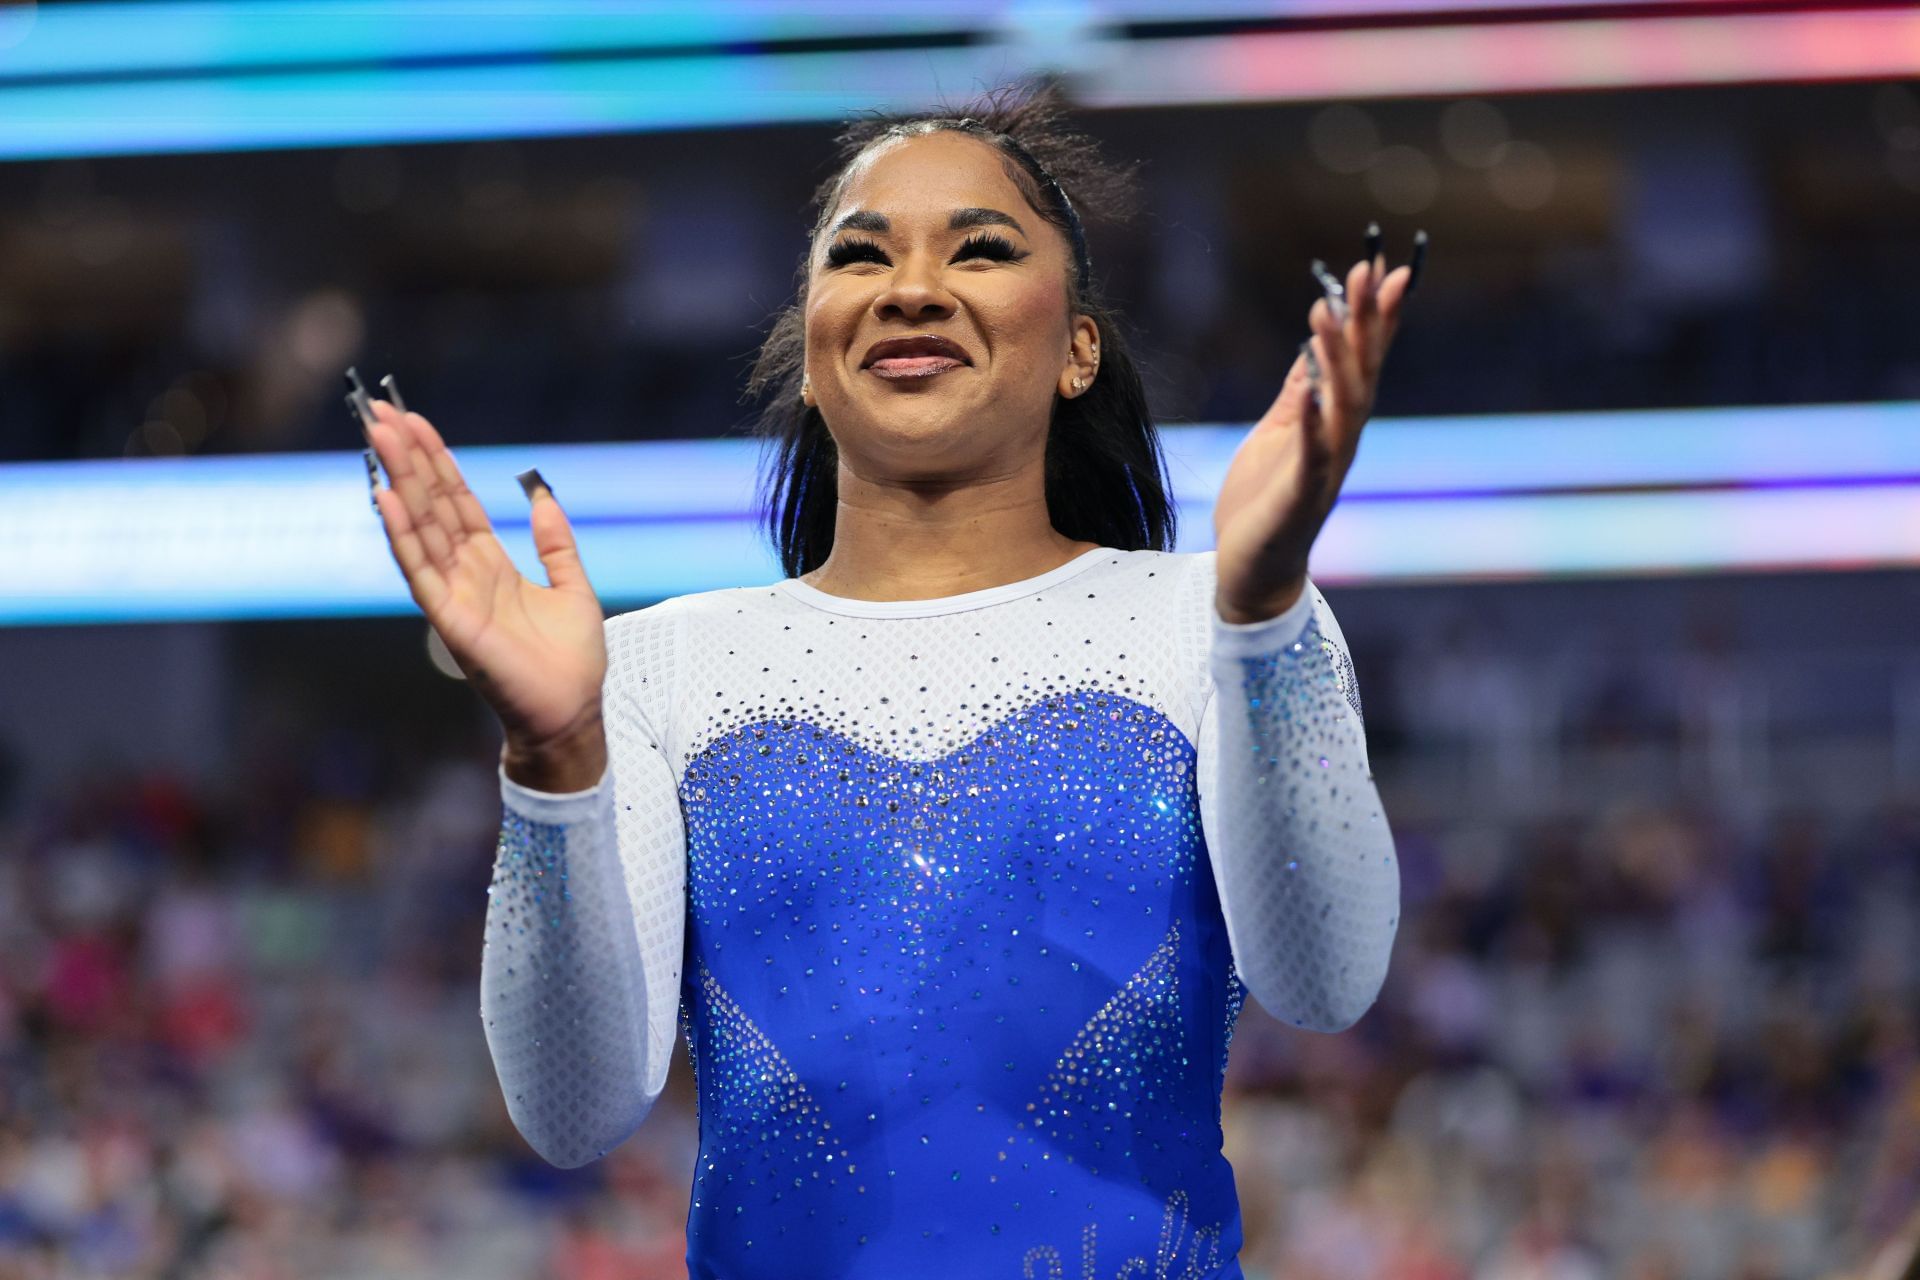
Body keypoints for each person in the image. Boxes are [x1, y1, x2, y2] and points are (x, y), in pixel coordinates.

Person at [353, 91, 1419, 1279]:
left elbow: (1327, 980)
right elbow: (574, 1109)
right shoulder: (657, 664)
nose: (911, 286)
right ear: (813, 349)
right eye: (860, 255)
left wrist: (1263, 608)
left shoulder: (1204, 618)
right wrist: (552, 755)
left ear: (1079, 348)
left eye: (981, 247)